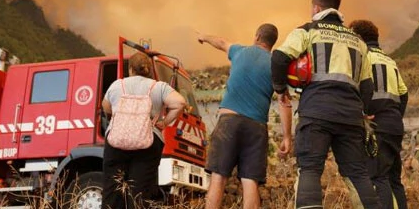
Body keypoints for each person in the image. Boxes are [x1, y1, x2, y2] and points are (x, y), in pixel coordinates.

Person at [270, 0, 380, 209]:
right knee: (357, 172)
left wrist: (281, 90)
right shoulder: (358, 42)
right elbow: (367, 85)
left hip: (316, 112)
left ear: (317, 8)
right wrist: (363, 111)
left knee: (310, 168)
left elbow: (279, 58)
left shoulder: (307, 31)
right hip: (350, 116)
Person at [197, 24, 293, 209]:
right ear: (273, 43)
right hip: (256, 128)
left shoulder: (240, 51)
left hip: (229, 123)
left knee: (219, 177)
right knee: (250, 181)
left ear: (257, 36)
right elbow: (284, 102)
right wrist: (287, 137)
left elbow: (220, 41)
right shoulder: (276, 64)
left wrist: (203, 36)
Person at [101, 52, 187, 209]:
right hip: (148, 142)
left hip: (116, 141)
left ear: (131, 69)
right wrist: (164, 122)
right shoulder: (158, 87)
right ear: (148, 70)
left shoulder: (117, 85)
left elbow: (106, 107)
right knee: (140, 193)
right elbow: (180, 103)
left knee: (112, 191)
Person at [351, 19, 408, 209]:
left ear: (358, 37)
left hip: (377, 125)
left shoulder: (361, 56)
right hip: (394, 125)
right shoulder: (390, 60)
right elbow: (404, 93)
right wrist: (395, 116)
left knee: (378, 177)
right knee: (394, 180)